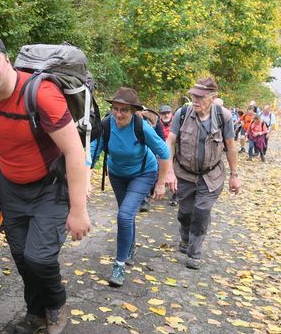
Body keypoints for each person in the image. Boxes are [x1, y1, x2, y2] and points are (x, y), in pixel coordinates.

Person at [0, 33, 90, 334]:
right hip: (12, 188)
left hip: (50, 188)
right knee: (22, 257)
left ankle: (57, 305)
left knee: (40, 258)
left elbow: (75, 152)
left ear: (6, 60)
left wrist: (78, 210)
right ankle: (35, 312)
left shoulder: (41, 94)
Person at [90, 88, 170, 286]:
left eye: (124, 110)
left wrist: (160, 183)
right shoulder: (106, 125)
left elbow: (164, 153)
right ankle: (130, 247)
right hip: (117, 175)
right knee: (127, 213)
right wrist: (82, 179)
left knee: (125, 214)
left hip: (144, 173)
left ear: (133, 111)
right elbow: (91, 155)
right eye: (115, 109)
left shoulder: (141, 127)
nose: (118, 114)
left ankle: (119, 266)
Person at [165, 77, 241, 270]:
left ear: (213, 97)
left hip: (211, 176)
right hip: (185, 174)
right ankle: (184, 236)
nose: (195, 100)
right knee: (185, 213)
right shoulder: (181, 114)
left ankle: (194, 253)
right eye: (193, 96)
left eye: (200, 97)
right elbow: (170, 142)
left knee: (201, 212)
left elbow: (230, 146)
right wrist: (168, 172)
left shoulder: (223, 117)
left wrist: (234, 174)